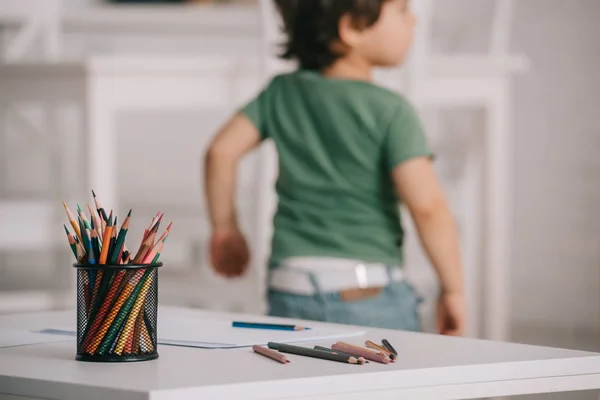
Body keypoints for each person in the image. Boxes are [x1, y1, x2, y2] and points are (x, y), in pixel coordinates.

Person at [204, 0, 466, 335]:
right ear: (352, 28)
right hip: (368, 295)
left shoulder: (281, 93)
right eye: (401, 9)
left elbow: (220, 151)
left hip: (289, 288)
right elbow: (428, 208)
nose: (412, 19)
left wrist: (225, 227)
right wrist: (454, 289)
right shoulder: (391, 111)